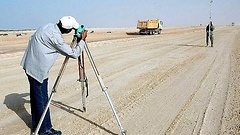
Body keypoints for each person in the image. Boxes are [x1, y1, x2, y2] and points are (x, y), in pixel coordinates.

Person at [20, 16, 87, 135]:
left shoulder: (49, 26)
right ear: (67, 30)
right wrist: (82, 41)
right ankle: (44, 130)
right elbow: (74, 53)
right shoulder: (56, 38)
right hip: (37, 70)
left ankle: (38, 124)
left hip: (31, 64)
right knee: (41, 100)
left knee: (38, 98)